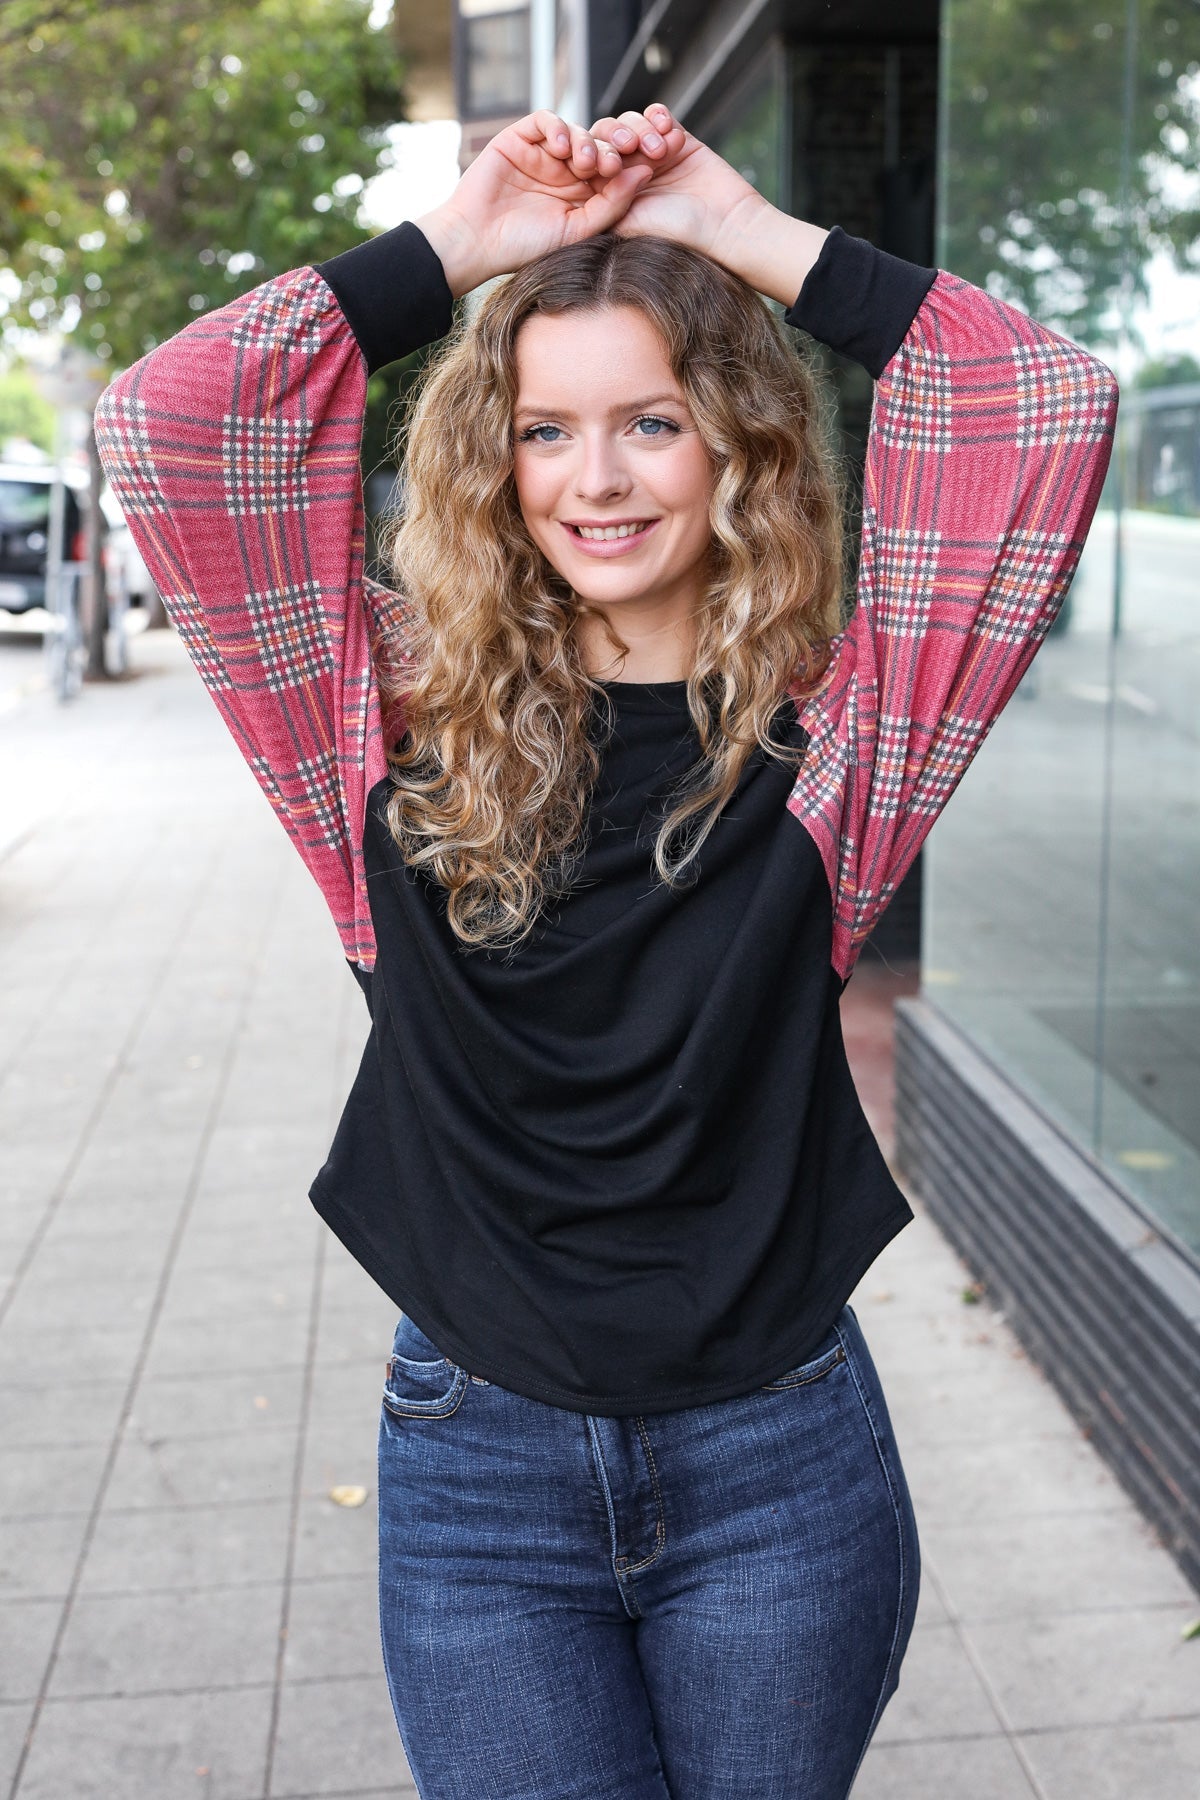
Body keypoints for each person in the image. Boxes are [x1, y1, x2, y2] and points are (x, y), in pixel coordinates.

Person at [96, 101, 1118, 1799]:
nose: (599, 477)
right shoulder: (381, 717)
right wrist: (455, 246)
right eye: (547, 428)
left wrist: (741, 229)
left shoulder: (843, 736)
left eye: (653, 420)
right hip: (477, 1467)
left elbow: (1043, 403)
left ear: (737, 447)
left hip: (779, 1460)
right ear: (491, 456)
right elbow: (174, 422)